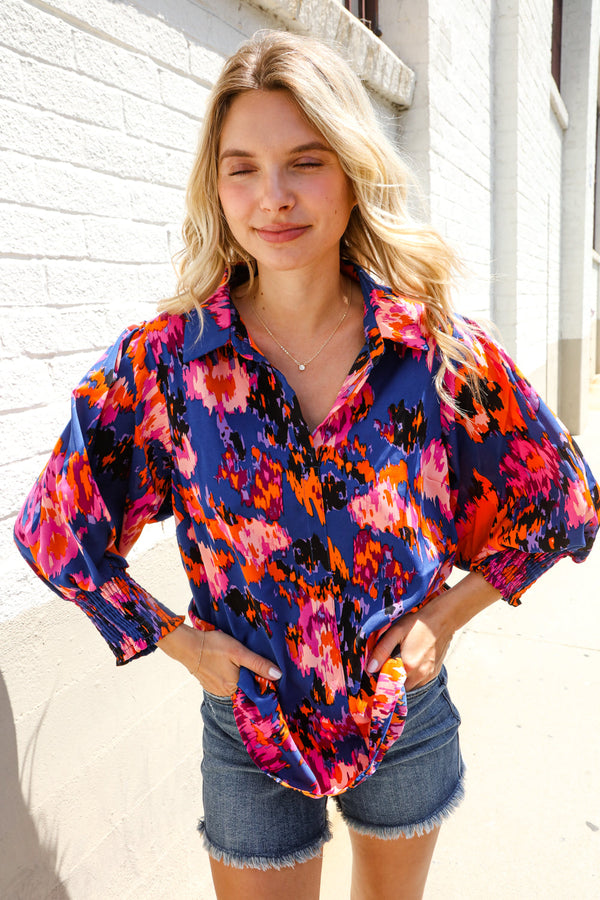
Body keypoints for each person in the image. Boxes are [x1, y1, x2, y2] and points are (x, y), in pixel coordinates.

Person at [13, 29, 600, 900]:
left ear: (354, 171)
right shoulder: (168, 365)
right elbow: (55, 528)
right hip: (249, 726)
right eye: (242, 166)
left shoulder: (432, 353)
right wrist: (184, 646)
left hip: (399, 714)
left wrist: (448, 615)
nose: (273, 197)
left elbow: (562, 497)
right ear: (216, 185)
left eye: (305, 161)